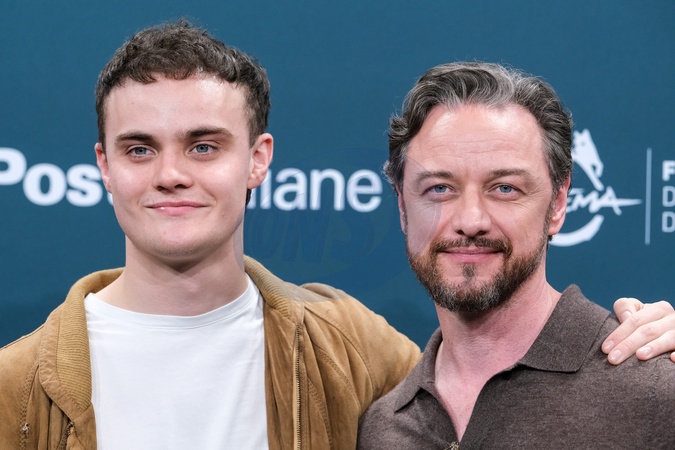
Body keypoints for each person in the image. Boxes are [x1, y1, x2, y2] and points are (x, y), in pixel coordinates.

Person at [0, 22, 671, 450]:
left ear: (258, 159)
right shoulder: (17, 385)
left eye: (204, 146)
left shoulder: (347, 348)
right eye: (140, 148)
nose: (171, 174)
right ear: (103, 166)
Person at [357, 62, 675, 449]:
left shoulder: (658, 392)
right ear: (403, 208)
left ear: (558, 204)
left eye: (504, 188)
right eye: (440, 189)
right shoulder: (383, 427)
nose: (471, 221)